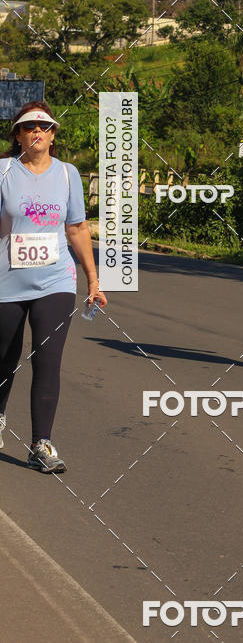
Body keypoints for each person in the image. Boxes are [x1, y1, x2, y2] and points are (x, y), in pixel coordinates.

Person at [0, 102, 107, 473]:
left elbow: (76, 228)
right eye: (28, 126)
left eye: (44, 126)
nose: (37, 131)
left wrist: (93, 279)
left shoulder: (67, 174)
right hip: (6, 280)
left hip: (55, 280)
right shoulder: (3, 171)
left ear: (53, 134)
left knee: (48, 360)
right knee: (4, 357)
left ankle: (40, 444)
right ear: (17, 135)